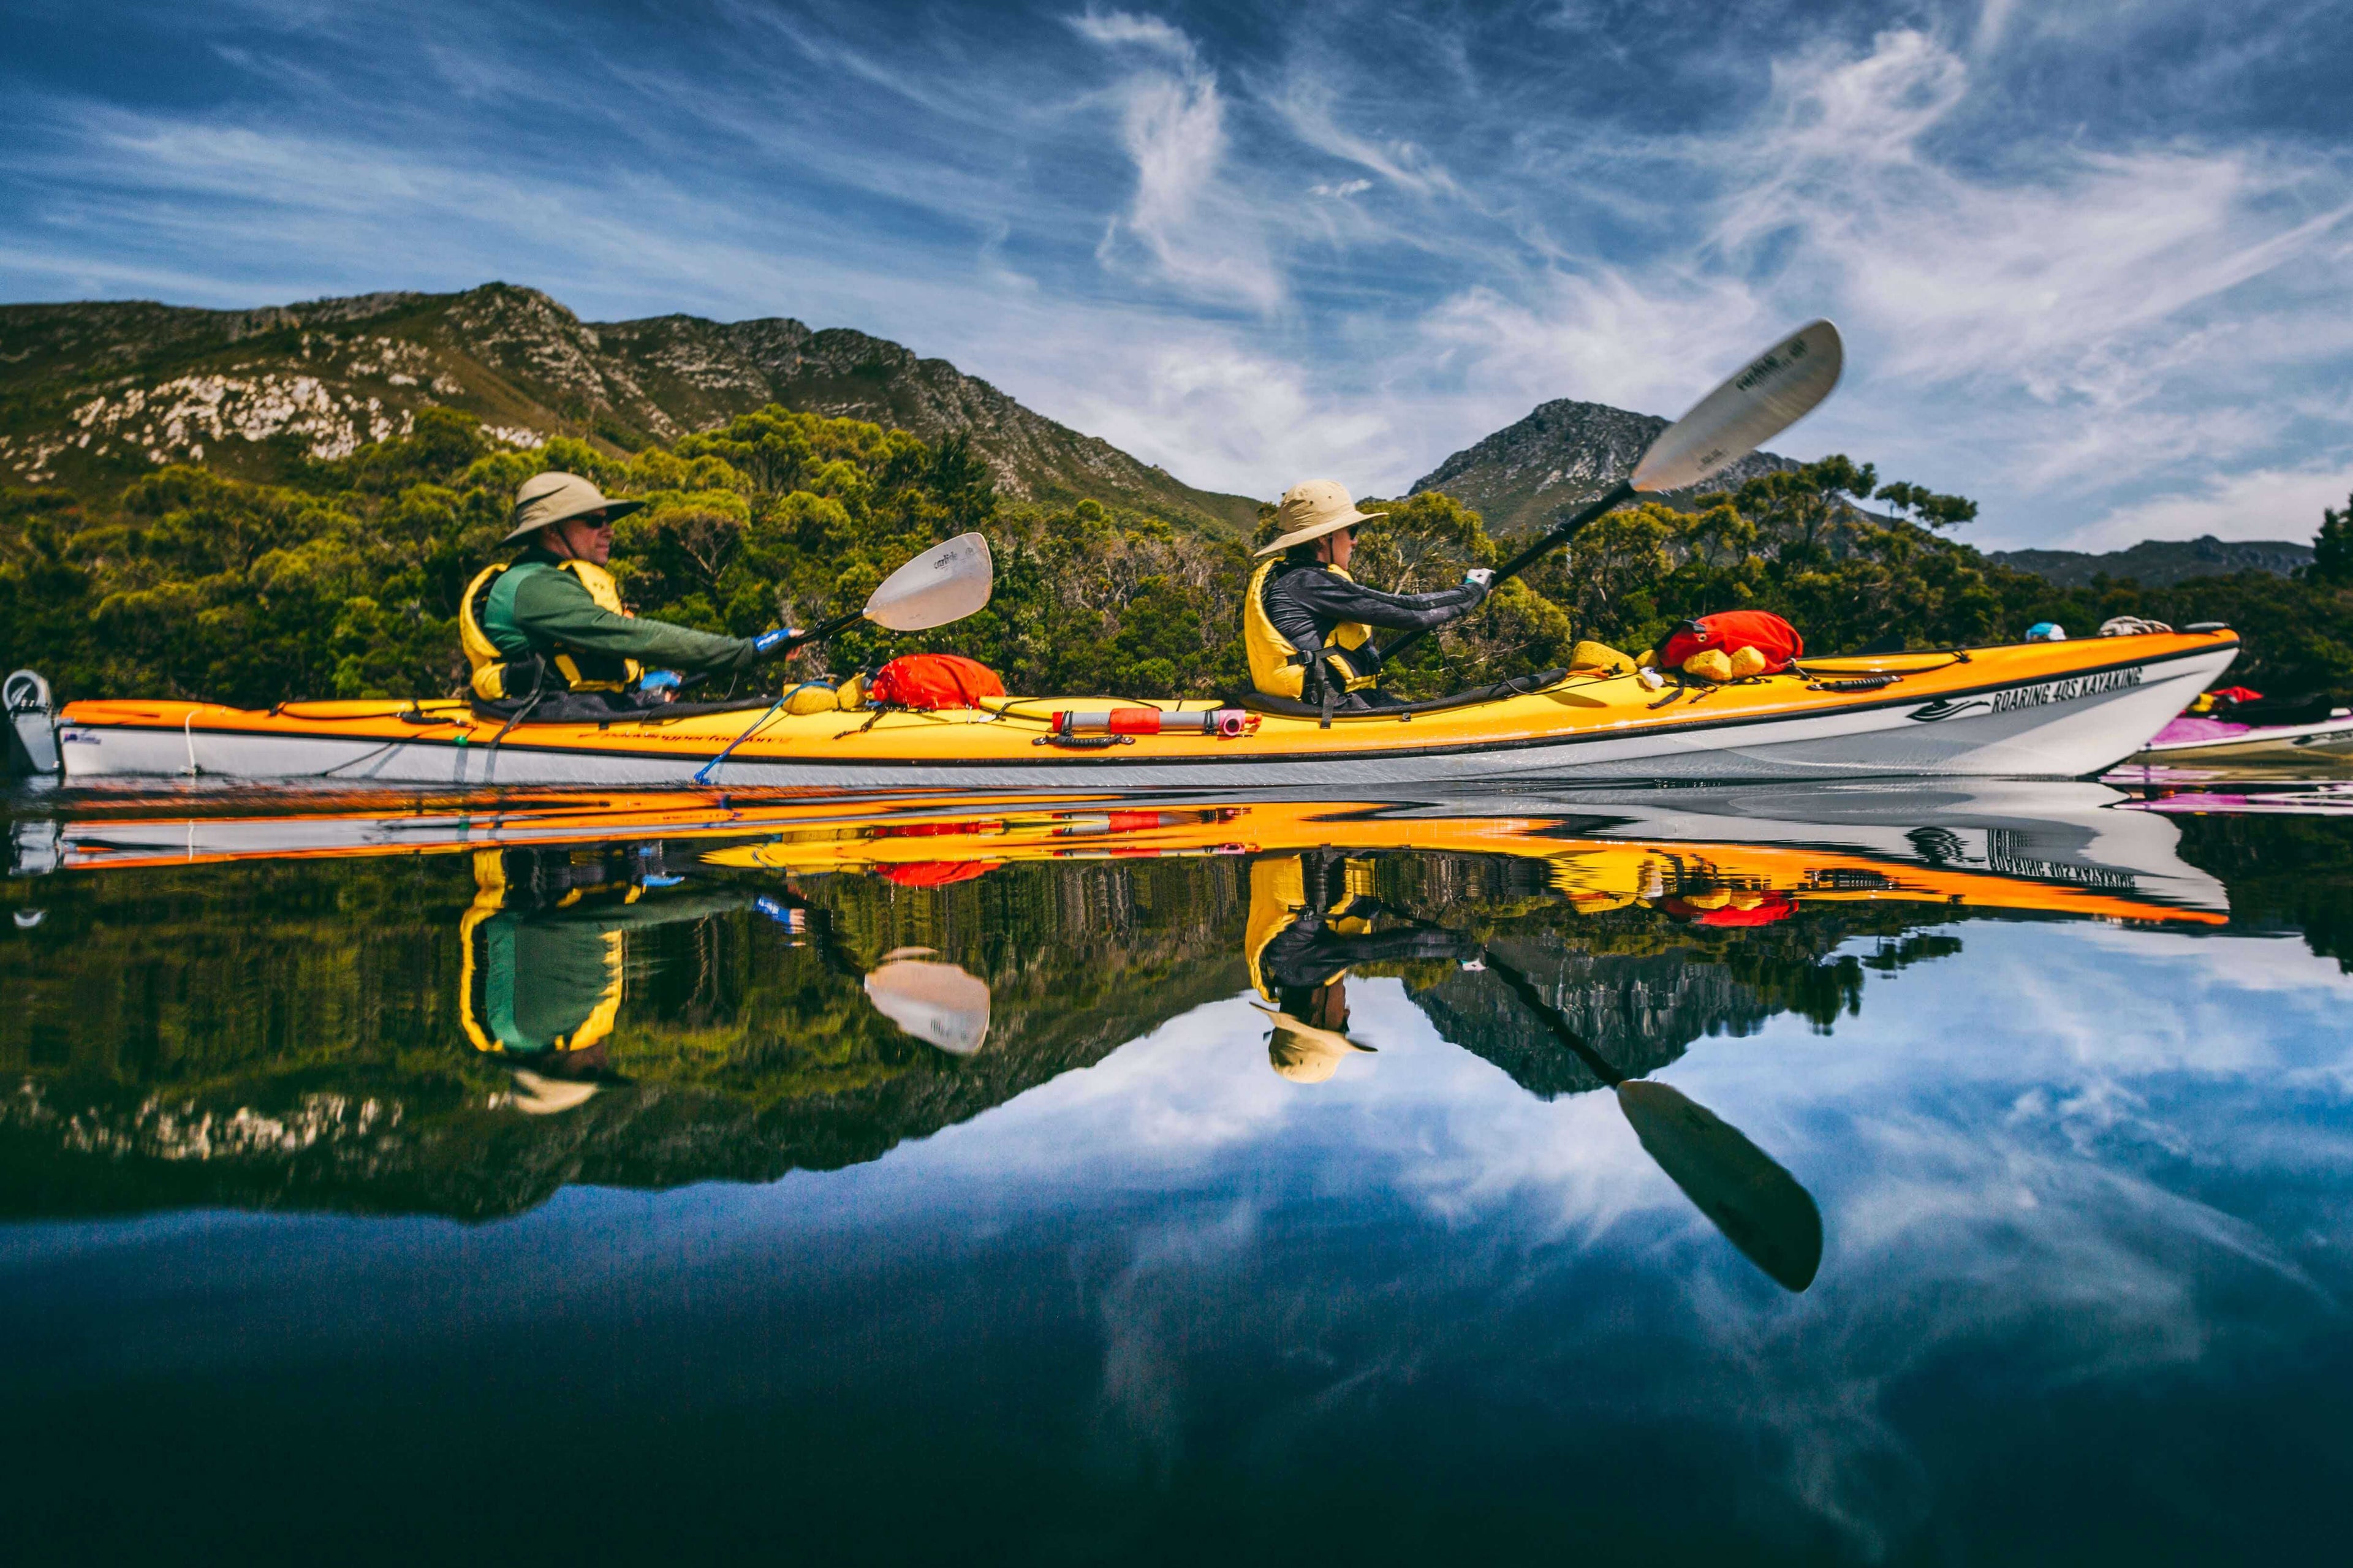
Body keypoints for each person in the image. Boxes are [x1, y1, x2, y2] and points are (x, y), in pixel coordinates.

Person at [459, 471, 795, 712]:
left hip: (575, 710)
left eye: (608, 520)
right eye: (594, 521)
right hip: (541, 718)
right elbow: (632, 637)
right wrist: (749, 650)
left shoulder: (553, 578)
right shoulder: (534, 587)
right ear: (550, 529)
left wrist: (641, 682)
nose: (609, 530)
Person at [1244, 480, 1493, 708]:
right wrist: (1471, 591)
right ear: (1322, 539)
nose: (1355, 542)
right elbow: (1414, 613)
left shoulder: (1287, 578)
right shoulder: (1308, 581)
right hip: (1333, 711)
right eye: (1352, 531)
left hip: (1323, 704)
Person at [1246, 851, 1475, 1083]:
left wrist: (1463, 949)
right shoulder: (1286, 966)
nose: (1347, 1013)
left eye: (1343, 1026)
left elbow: (1390, 948)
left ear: (1315, 1019)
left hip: (1321, 839)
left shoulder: (1301, 969)